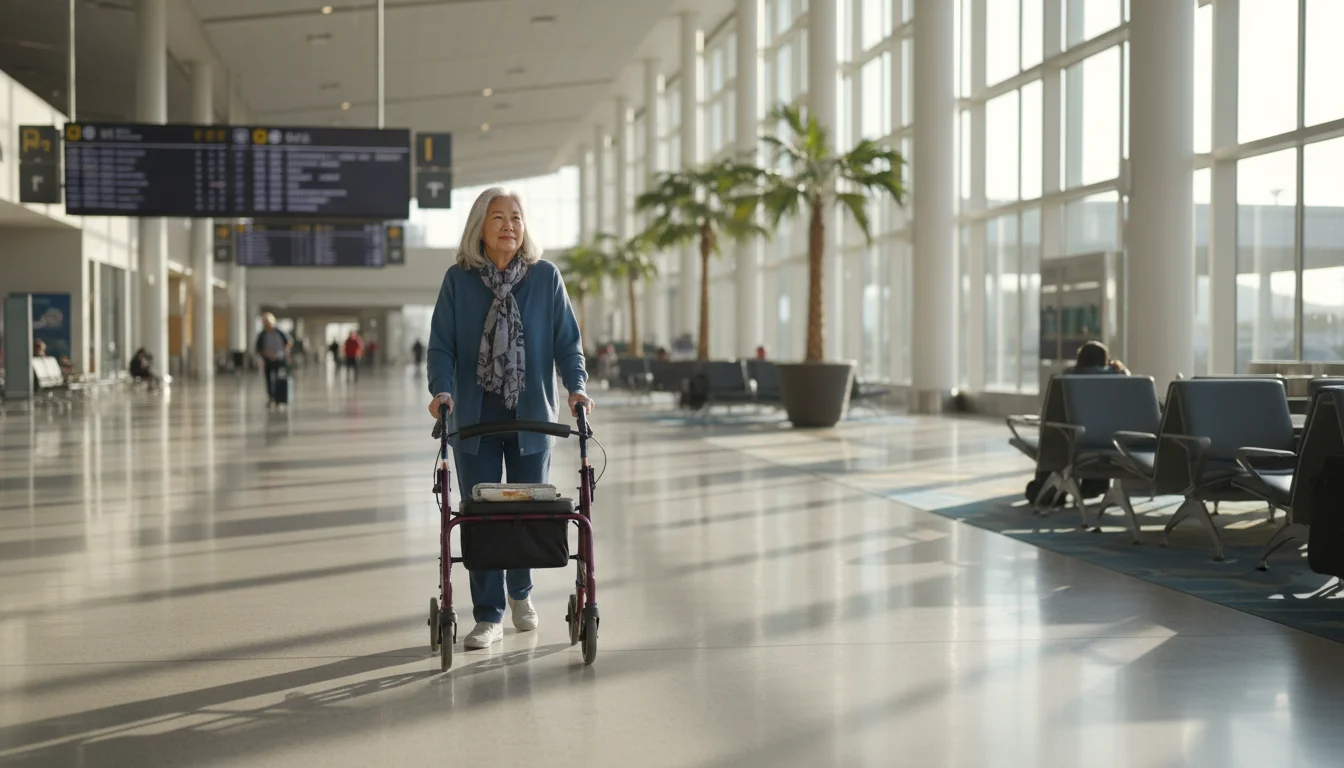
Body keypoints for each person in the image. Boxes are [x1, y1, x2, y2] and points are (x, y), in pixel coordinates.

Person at [427, 186, 593, 651]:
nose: (508, 225)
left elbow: (567, 342)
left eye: (516, 217)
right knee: (481, 516)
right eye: (498, 217)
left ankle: (520, 595)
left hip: (531, 417)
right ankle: (487, 615)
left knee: (524, 512)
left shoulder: (545, 278)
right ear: (480, 225)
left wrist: (576, 386)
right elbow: (441, 344)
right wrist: (440, 390)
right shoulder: (458, 281)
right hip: (474, 420)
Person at [1025, 340, 1129, 506]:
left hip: (1071, 444)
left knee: (1059, 440)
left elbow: (1051, 417)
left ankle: (1048, 490)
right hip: (1111, 442)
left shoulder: (1065, 380)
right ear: (1105, 360)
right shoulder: (1119, 379)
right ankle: (1092, 486)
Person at [254, 313, 292, 408]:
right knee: (269, 380)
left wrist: (284, 352)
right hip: (268, 360)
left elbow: (288, 342)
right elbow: (258, 348)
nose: (268, 326)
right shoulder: (262, 334)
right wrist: (265, 353)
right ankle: (271, 397)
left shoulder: (279, 332)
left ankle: (279, 398)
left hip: (279, 359)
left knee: (278, 378)